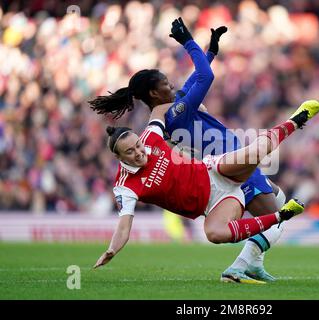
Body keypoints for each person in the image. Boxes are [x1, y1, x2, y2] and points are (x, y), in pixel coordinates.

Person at [89, 18, 288, 283]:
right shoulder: (175, 115)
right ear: (154, 93)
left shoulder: (175, 105)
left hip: (232, 164)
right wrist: (187, 42)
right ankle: (240, 266)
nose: (172, 85)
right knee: (276, 219)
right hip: (233, 166)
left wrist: (211, 51)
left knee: (280, 197)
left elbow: (197, 75)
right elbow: (206, 77)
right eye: (166, 84)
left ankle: (252, 263)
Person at [93, 98, 319, 285]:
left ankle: (295, 121)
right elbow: (124, 224)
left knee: (256, 151)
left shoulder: (150, 137)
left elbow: (159, 109)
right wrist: (112, 249)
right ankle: (282, 215)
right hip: (215, 205)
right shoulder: (124, 185)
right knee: (214, 234)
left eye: (138, 146)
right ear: (119, 158)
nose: (139, 152)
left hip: (214, 170)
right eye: (130, 152)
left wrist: (188, 103)